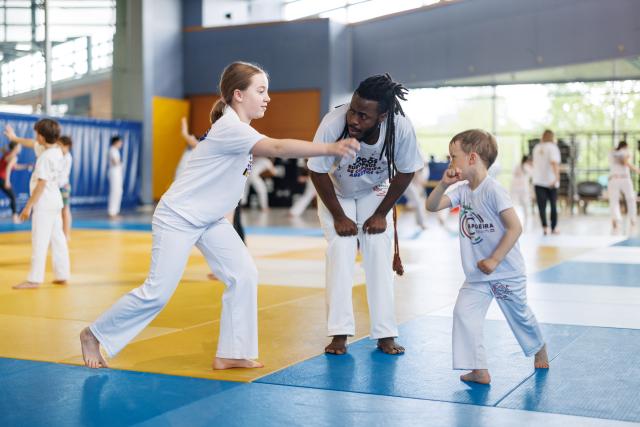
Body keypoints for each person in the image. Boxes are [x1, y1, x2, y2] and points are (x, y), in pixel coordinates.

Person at [79, 61, 360, 370]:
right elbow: (278, 146)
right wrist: (330, 148)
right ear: (238, 95)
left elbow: (230, 187)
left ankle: (232, 351)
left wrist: (225, 234)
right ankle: (94, 334)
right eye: (261, 91)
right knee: (157, 293)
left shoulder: (242, 131)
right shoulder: (231, 128)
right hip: (178, 217)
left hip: (210, 220)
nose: (268, 98)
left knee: (243, 273)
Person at [308, 73, 424, 355]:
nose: (354, 120)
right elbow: (317, 169)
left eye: (364, 116)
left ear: (383, 116)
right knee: (341, 248)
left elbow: (407, 171)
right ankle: (339, 333)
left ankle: (385, 333)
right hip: (336, 190)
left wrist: (382, 214)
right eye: (353, 110)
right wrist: (339, 217)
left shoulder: (400, 128)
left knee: (377, 248)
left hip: (374, 189)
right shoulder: (333, 123)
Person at [426, 129, 549, 385]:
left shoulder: (494, 190)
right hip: (478, 275)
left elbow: (515, 227)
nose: (450, 163)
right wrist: (443, 184)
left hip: (505, 270)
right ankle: (479, 369)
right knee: (463, 313)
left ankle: (539, 346)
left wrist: (494, 259)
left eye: (453, 157)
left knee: (520, 316)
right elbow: (433, 205)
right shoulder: (461, 190)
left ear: (472, 158)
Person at [4, 120, 70, 289]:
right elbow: (31, 143)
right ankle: (62, 274)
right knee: (58, 238)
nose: (35, 137)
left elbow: (40, 185)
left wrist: (28, 207)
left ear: (41, 136)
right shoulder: (55, 150)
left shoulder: (45, 158)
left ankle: (34, 279)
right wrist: (15, 137)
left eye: (36, 134)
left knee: (39, 240)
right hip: (55, 201)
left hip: (44, 202)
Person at [532, 129, 561, 235]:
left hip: (538, 180)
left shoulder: (536, 147)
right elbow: (554, 163)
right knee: (553, 205)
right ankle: (553, 228)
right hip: (551, 181)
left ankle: (545, 227)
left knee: (541, 206)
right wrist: (557, 177)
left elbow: (534, 163)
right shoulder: (553, 147)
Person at [608, 140, 639, 233]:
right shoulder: (623, 151)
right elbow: (625, 162)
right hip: (623, 178)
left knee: (615, 200)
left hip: (615, 178)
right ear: (625, 146)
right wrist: (637, 170)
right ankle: (631, 219)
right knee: (630, 199)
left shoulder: (612, 152)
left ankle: (617, 220)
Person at [0, 141, 24, 223]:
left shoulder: (7, 154)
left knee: (12, 197)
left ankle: (14, 217)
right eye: (19, 146)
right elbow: (8, 168)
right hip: (2, 178)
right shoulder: (14, 157)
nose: (20, 148)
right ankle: (15, 217)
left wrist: (26, 166)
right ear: (15, 148)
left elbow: (14, 166)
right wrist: (7, 181)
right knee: (13, 197)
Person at [510, 155, 532, 229]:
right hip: (523, 189)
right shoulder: (527, 167)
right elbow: (532, 174)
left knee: (514, 205)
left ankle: (513, 221)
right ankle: (525, 222)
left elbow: (513, 174)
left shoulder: (517, 166)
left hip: (515, 188)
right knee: (525, 205)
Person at [58, 136, 73, 241]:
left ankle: (66, 234)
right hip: (57, 186)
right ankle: (60, 234)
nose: (58, 147)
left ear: (66, 146)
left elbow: (62, 174)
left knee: (65, 210)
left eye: (60, 145)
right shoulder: (59, 155)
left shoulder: (67, 157)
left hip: (63, 186)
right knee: (58, 211)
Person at [108, 135, 124, 218]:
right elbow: (115, 162)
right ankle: (111, 212)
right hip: (114, 174)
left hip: (118, 173)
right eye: (120, 142)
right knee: (114, 191)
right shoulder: (112, 150)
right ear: (116, 142)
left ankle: (116, 211)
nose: (121, 143)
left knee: (118, 191)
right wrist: (120, 162)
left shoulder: (116, 151)